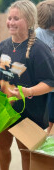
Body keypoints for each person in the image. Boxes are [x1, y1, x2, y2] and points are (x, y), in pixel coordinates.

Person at [0, 1, 54, 170]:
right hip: (2, 109)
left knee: (25, 152)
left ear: (30, 21)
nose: (11, 22)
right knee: (1, 147)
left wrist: (28, 90)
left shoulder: (39, 50)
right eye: (9, 18)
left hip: (29, 114)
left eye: (16, 18)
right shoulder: (3, 45)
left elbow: (50, 82)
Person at [36, 0, 54, 133]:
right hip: (47, 85)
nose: (51, 28)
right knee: (48, 122)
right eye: (48, 27)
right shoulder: (39, 34)